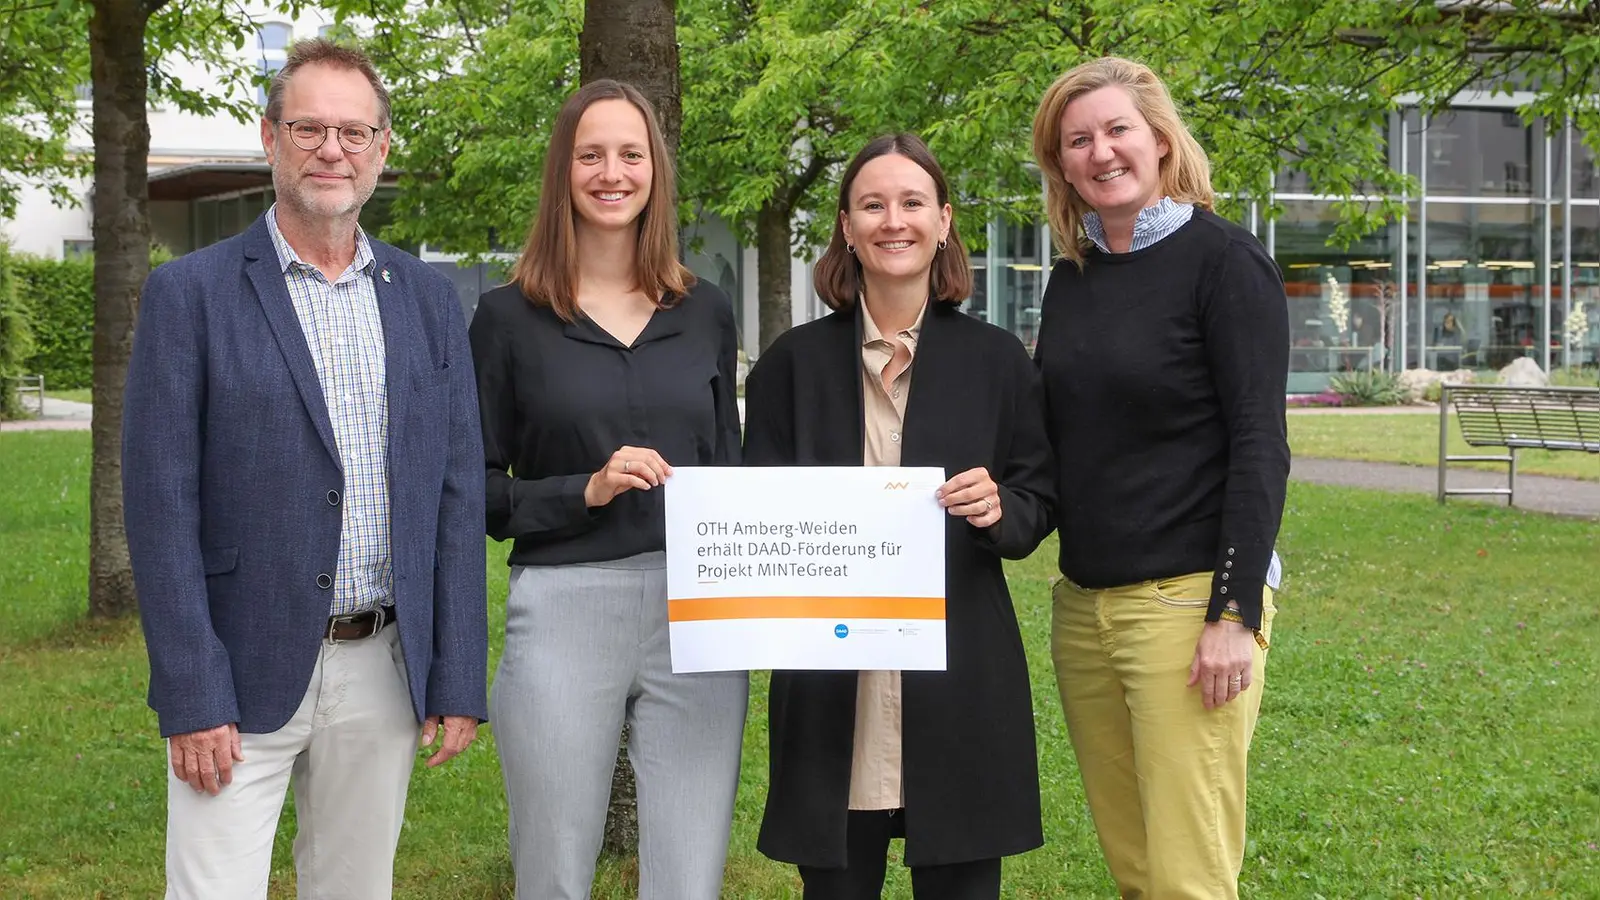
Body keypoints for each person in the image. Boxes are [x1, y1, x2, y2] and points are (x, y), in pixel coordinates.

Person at [122, 38, 488, 900]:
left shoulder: (429, 300)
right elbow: (159, 504)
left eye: (355, 133)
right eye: (310, 128)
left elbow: (456, 491)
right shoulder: (190, 295)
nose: (334, 150)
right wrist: (191, 689)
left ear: (383, 149)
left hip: (385, 664)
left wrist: (458, 674)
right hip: (237, 670)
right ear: (269, 137)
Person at [745, 133, 1055, 899]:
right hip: (830, 686)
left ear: (944, 220)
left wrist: (998, 507)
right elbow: (757, 510)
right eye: (872, 205)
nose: (894, 221)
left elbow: (1039, 498)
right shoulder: (792, 363)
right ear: (846, 227)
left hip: (958, 678)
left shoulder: (998, 361)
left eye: (912, 203)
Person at [467, 79, 746, 900]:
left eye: (631, 154)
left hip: (696, 616)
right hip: (561, 607)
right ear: (563, 171)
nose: (611, 172)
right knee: (553, 873)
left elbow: (727, 474)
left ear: (655, 171)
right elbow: (475, 494)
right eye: (591, 154)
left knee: (688, 879)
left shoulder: (707, 313)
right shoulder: (506, 319)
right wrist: (580, 491)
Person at [1029, 57, 1290, 900]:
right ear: (1061, 163)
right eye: (1080, 140)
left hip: (1187, 607)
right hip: (1084, 609)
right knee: (1137, 866)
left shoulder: (1225, 262)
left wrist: (1234, 610)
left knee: (1188, 877)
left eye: (1118, 130)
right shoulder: (1070, 281)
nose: (1102, 152)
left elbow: (1260, 443)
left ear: (1161, 141)